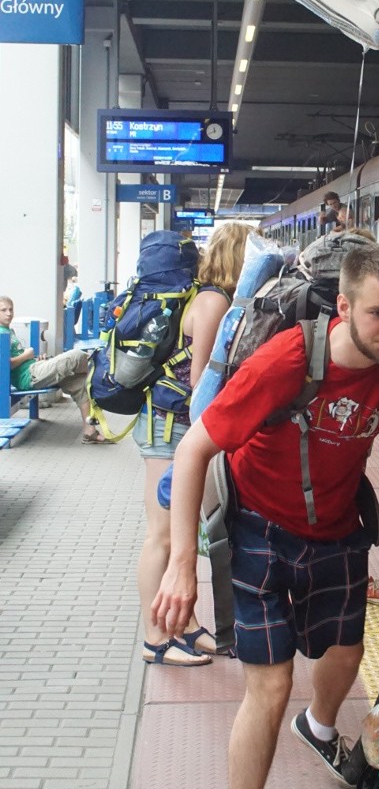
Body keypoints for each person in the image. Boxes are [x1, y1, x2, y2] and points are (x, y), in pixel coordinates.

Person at [153, 242, 379, 789]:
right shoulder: (289, 360)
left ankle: (318, 726)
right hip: (259, 529)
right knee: (270, 684)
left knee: (347, 651)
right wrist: (182, 565)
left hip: (339, 530)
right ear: (344, 307)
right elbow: (195, 445)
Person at [136, 222, 251, 668]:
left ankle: (182, 626)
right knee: (162, 536)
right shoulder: (214, 303)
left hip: (174, 425)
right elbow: (203, 380)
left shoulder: (211, 299)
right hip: (169, 428)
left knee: (178, 533)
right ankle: (156, 639)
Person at [0, 295, 102, 442]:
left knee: (78, 382)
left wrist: (34, 358)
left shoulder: (9, 331)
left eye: (11, 309)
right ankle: (99, 380)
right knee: (77, 355)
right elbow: (5, 365)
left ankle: (89, 431)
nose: (9, 313)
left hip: (35, 368)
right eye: (3, 310)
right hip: (29, 376)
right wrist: (27, 355)